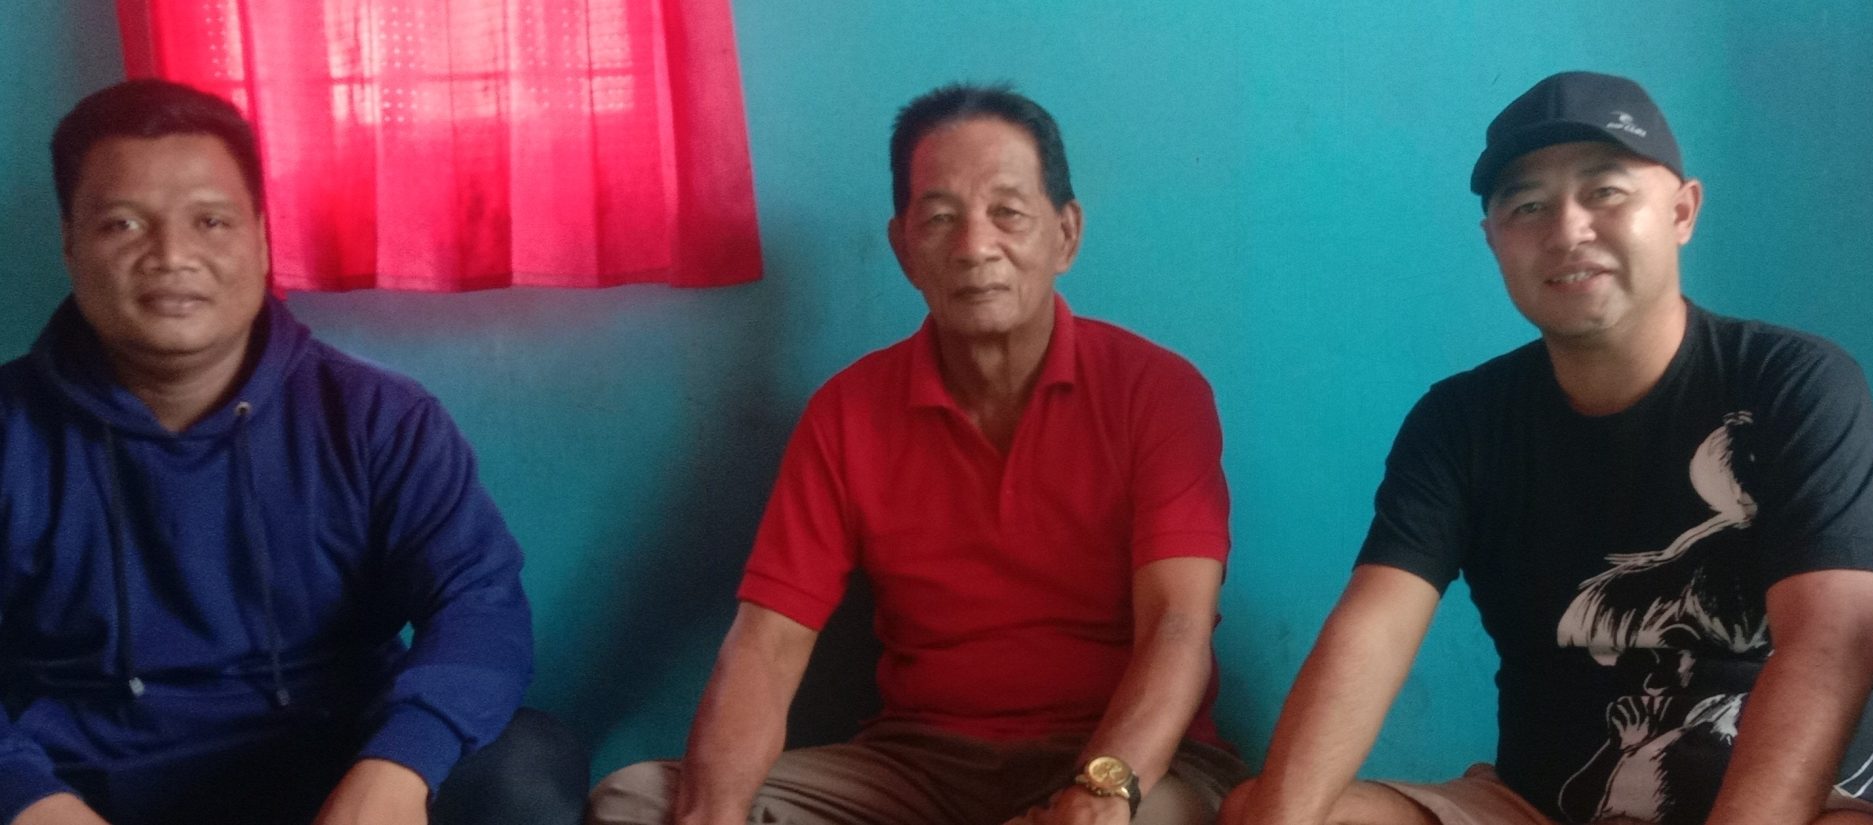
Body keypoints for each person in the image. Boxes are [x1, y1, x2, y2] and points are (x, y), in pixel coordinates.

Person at [1223, 71, 1873, 825]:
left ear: (1682, 211)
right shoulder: (1461, 421)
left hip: (1795, 808)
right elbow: (1375, 628)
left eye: (1605, 191)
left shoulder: (1794, 383)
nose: (1567, 229)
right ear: (1493, 241)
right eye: (1528, 206)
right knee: (1270, 808)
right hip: (1537, 806)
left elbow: (1831, 644)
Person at [587, 82, 1243, 825]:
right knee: (635, 803)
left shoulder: (1158, 392)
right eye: (940, 218)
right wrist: (714, 813)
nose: (974, 247)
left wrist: (1098, 795)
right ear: (903, 247)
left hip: (1124, 764)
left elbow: (1178, 625)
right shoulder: (848, 413)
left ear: (1065, 235)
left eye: (1008, 212)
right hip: (919, 768)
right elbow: (768, 644)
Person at [0, 79, 586, 825]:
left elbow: (478, 602)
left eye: (210, 221)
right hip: (79, 785)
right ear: (70, 242)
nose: (172, 255)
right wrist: (26, 797)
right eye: (123, 224)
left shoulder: (377, 418)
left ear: (261, 238)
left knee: (526, 768)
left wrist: (401, 764)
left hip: (336, 773)